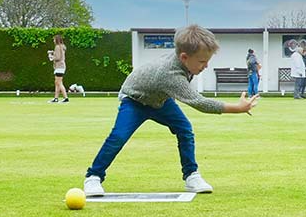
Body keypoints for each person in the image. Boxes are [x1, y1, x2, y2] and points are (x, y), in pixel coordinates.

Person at [83, 24, 259, 196]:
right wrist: (238, 108)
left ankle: (191, 175)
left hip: (160, 100)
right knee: (118, 136)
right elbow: (199, 102)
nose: (205, 66)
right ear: (184, 57)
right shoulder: (170, 75)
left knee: (184, 129)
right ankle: (93, 176)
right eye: (202, 61)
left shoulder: (184, 61)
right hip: (134, 100)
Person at [49, 34, 69, 103]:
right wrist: (53, 53)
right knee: (57, 82)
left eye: (54, 39)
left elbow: (57, 57)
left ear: (56, 40)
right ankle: (56, 98)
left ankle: (66, 98)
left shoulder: (57, 47)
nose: (53, 41)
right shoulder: (62, 47)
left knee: (59, 82)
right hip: (61, 66)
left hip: (59, 66)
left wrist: (51, 57)